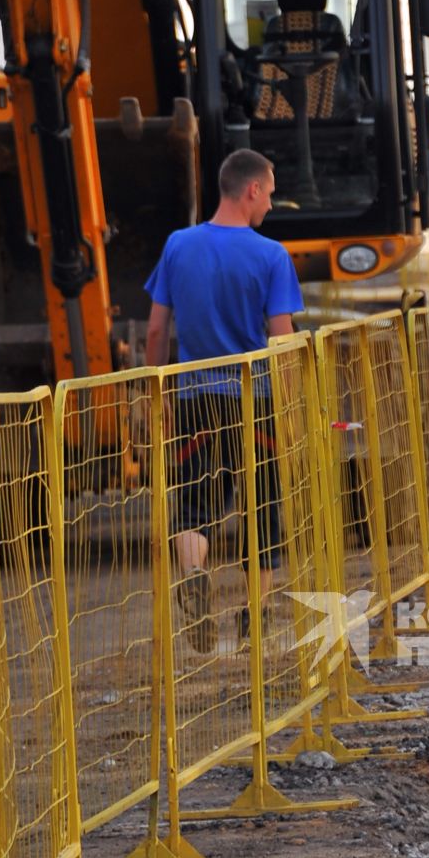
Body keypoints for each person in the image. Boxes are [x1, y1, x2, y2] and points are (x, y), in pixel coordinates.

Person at [144, 148, 303, 652]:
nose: (271, 206)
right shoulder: (271, 256)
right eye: (270, 194)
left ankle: (193, 573)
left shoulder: (177, 245)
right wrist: (294, 405)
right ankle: (253, 623)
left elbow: (155, 330)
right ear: (251, 189)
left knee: (192, 504)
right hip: (252, 399)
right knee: (263, 510)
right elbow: (282, 339)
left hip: (192, 396)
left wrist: (155, 391)